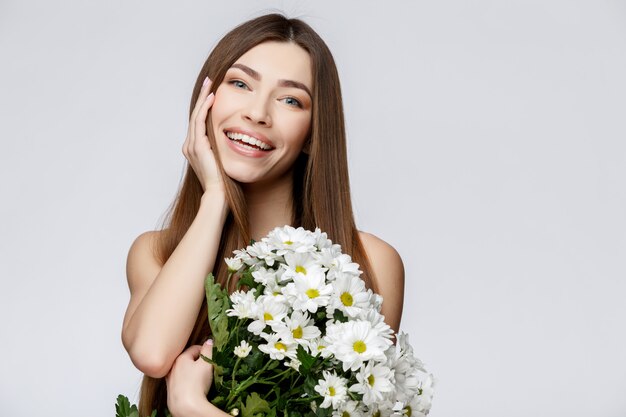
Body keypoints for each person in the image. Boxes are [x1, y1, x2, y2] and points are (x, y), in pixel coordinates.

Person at [121, 13, 405, 417]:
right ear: (206, 102)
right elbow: (152, 352)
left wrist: (192, 408)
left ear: (312, 134)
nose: (258, 113)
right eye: (239, 83)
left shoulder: (369, 265)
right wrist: (215, 198)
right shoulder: (156, 252)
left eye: (291, 100)